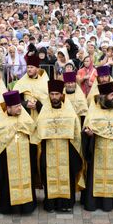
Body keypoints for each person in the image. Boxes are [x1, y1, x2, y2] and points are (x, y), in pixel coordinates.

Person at [31, 80, 84, 212]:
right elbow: (37, 130)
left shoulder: (69, 110)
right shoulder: (44, 111)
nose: (54, 97)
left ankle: (66, 204)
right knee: (49, 176)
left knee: (68, 174)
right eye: (52, 94)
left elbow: (76, 131)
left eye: (57, 94)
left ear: (61, 94)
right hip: (49, 151)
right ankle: (50, 204)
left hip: (67, 150)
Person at [0, 90, 38, 215]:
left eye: (20, 105)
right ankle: (7, 207)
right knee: (6, 183)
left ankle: (27, 206)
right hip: (6, 161)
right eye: (16, 107)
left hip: (24, 159)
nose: (20, 108)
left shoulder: (25, 118)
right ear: (8, 108)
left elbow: (33, 133)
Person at [81, 82, 113, 211]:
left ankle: (109, 203)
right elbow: (86, 128)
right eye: (111, 95)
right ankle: (93, 203)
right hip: (96, 150)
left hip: (112, 151)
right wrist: (89, 134)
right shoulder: (93, 111)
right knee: (95, 176)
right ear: (104, 96)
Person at [12, 53, 49, 121]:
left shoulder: (44, 81)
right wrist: (25, 104)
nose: (29, 69)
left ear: (37, 69)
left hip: (41, 115)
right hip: (26, 115)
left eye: (31, 67)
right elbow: (15, 99)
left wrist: (37, 105)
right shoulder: (22, 81)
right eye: (28, 67)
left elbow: (47, 100)